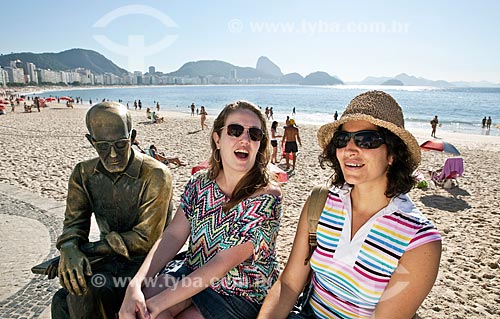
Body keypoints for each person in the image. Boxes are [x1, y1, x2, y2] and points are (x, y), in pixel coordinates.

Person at [258, 90, 442, 319]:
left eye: (366, 140)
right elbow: (289, 285)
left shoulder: (419, 241)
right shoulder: (320, 202)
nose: (349, 150)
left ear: (392, 154)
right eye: (342, 140)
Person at [119, 100, 282, 319]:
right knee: (137, 308)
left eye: (254, 134)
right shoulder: (199, 183)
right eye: (235, 131)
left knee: (155, 312)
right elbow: (174, 234)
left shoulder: (267, 197)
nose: (245, 139)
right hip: (193, 272)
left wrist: (157, 304)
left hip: (241, 291)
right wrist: (136, 284)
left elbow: (221, 264)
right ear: (217, 139)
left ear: (260, 145)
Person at [51, 102, 173, 319]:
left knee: (86, 295)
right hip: (109, 262)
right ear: (91, 141)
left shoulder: (156, 175)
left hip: (148, 264)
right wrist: (69, 247)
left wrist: (87, 250)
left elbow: (145, 238)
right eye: (104, 146)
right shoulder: (83, 174)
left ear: (132, 136)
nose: (114, 154)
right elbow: (74, 224)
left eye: (120, 144)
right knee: (64, 299)